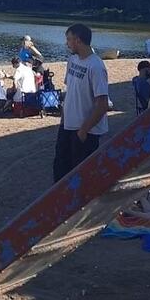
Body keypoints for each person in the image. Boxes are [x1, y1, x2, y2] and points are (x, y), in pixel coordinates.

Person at [53, 24, 110, 183]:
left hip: (85, 131)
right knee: (60, 169)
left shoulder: (96, 66)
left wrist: (83, 131)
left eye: (69, 39)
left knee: (80, 174)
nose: (67, 43)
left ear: (78, 40)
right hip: (67, 125)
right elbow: (70, 92)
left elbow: (102, 104)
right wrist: (63, 119)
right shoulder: (72, 60)